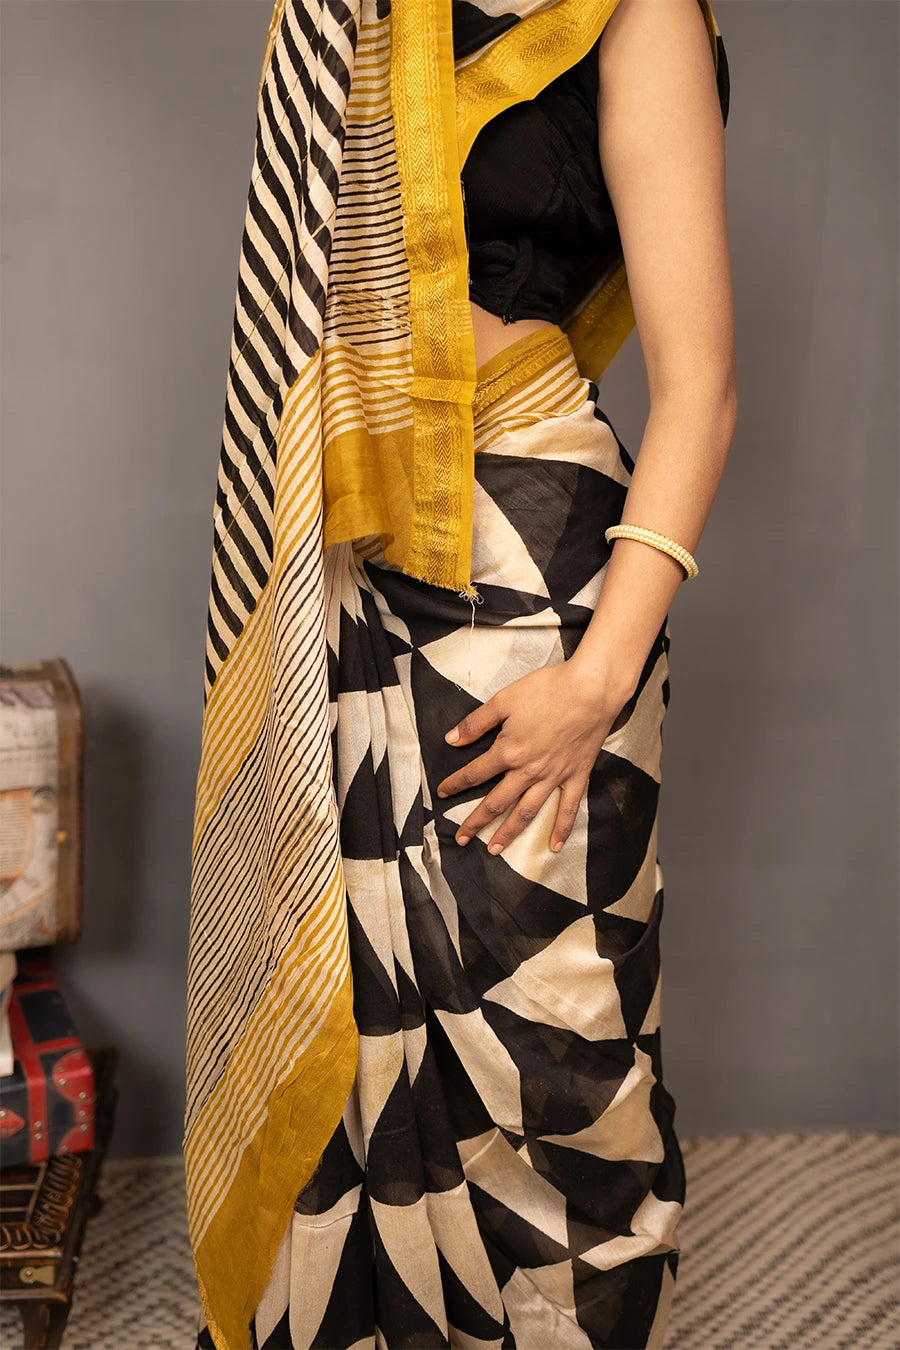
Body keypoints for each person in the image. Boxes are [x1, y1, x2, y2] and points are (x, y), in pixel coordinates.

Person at [185, 1, 735, 1347]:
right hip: (344, 553)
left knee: (548, 1021)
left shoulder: (634, 12)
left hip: (532, 575)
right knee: (349, 992)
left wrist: (602, 676)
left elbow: (703, 382)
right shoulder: (356, 12)